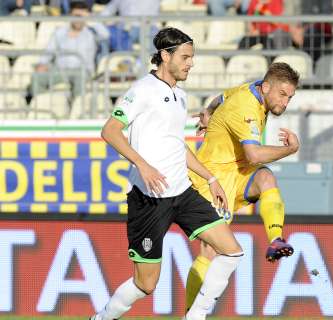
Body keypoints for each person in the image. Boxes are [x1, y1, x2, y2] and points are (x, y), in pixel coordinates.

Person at [90, 27, 243, 320]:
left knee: (232, 251)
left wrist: (211, 179)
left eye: (192, 57)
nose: (190, 63)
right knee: (145, 284)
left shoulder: (181, 96)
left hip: (182, 194)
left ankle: (195, 316)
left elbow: (176, 145)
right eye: (185, 57)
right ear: (164, 55)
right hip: (149, 201)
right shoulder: (142, 91)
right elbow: (109, 130)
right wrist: (143, 165)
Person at [184, 62, 300, 311]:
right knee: (210, 252)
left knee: (266, 178)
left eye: (290, 97)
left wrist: (208, 111)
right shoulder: (246, 107)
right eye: (282, 94)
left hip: (236, 174)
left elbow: (220, 97)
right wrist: (290, 149)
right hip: (210, 179)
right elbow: (254, 155)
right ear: (267, 86)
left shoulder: (252, 89)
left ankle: (276, 240)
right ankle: (189, 315)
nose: (285, 103)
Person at [30, 0, 109, 97]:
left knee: (79, 79)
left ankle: (77, 109)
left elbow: (106, 35)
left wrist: (89, 18)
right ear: (70, 15)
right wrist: (42, 64)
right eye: (75, 15)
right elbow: (48, 51)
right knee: (37, 77)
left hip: (83, 72)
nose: (78, 19)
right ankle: (39, 106)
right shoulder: (60, 32)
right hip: (60, 71)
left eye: (81, 16)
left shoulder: (91, 33)